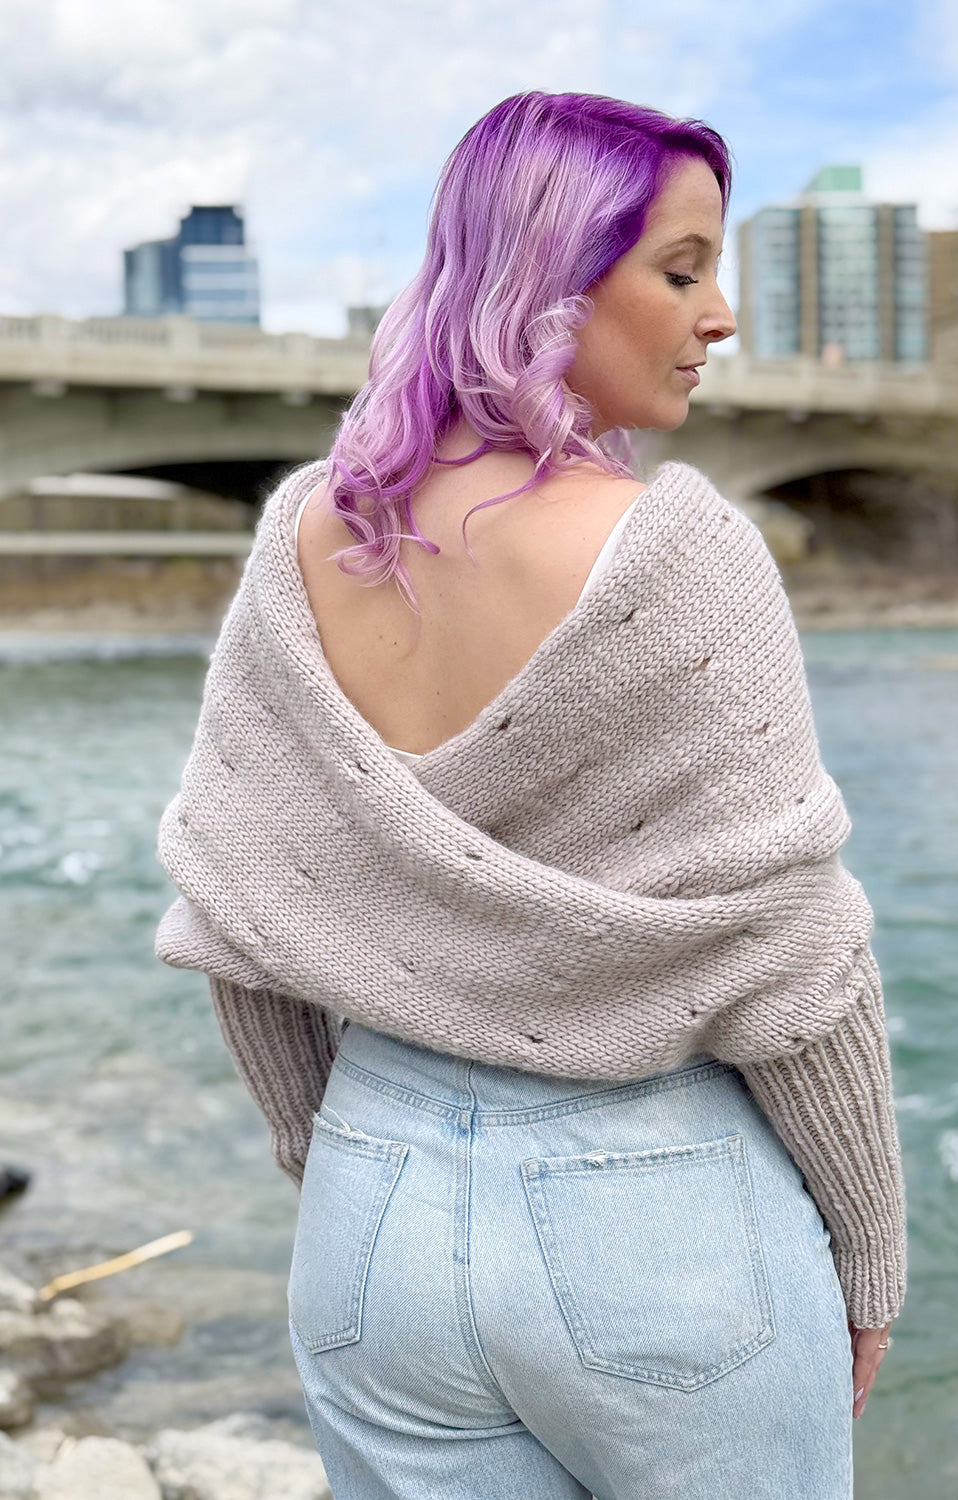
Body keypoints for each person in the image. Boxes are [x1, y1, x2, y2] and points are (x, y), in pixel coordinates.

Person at [156, 91, 906, 1499]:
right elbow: (799, 961)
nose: (720, 316)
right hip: (655, 1216)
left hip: (371, 1209)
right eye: (680, 271)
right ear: (553, 277)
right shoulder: (682, 554)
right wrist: (868, 1250)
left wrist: (330, 1155)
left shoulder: (308, 532)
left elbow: (239, 903)